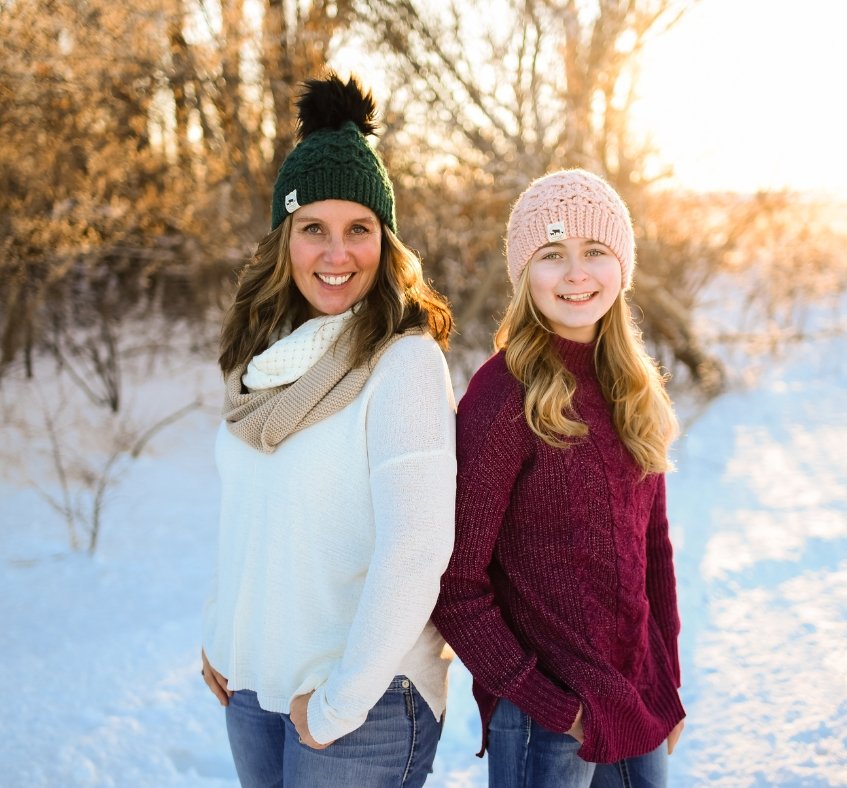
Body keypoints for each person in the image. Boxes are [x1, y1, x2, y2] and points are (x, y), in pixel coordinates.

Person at [200, 72, 457, 787]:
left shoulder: (401, 362)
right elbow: (247, 513)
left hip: (362, 701)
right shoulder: (264, 358)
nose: (337, 254)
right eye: (314, 228)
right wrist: (223, 629)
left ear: (386, 239)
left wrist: (342, 701)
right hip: (255, 683)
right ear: (286, 239)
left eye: (359, 230)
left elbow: (418, 547)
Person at [432, 169, 686, 787]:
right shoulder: (502, 397)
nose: (577, 274)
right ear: (525, 273)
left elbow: (651, 549)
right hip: (544, 720)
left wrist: (666, 680)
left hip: (634, 700)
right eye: (553, 255)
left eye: (594, 251)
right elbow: (456, 584)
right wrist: (550, 706)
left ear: (620, 266)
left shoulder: (630, 386)